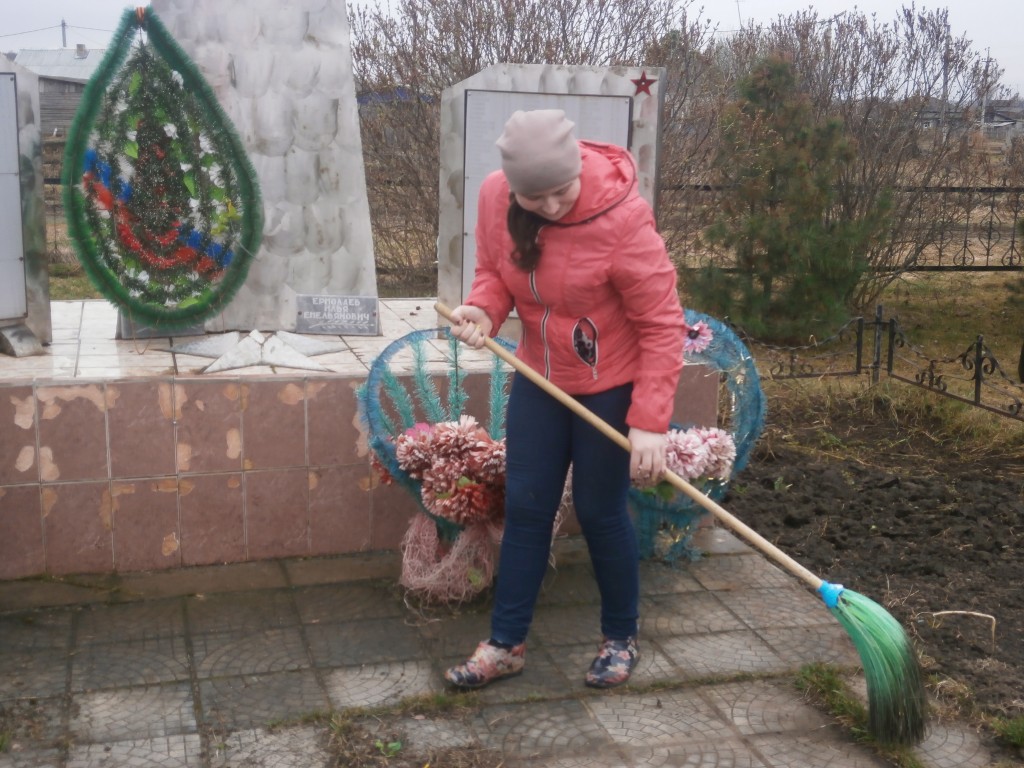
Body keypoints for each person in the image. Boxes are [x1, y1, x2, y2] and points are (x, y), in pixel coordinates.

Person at [445, 109, 686, 690]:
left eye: (562, 191)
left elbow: (662, 325)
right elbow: (494, 271)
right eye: (536, 198)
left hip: (611, 386)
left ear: (578, 165)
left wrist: (649, 422)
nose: (551, 206)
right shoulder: (495, 196)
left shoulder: (623, 217)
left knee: (601, 511)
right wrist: (484, 309)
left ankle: (620, 636)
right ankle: (505, 644)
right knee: (527, 508)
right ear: (513, 189)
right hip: (542, 378)